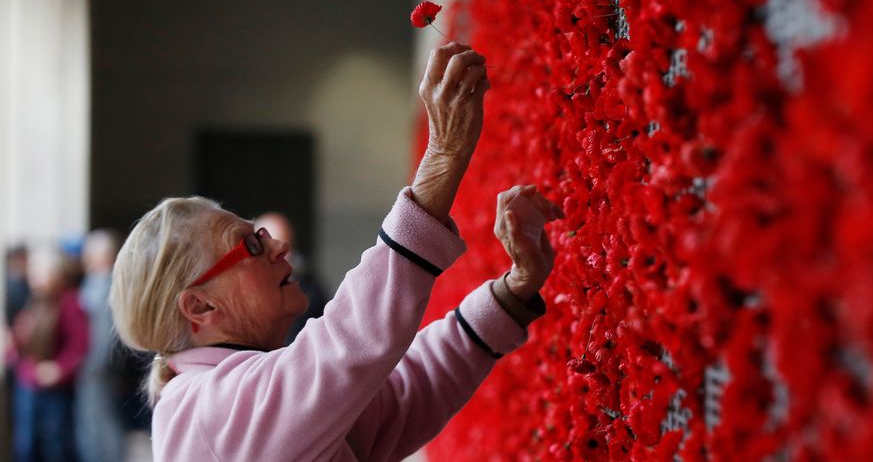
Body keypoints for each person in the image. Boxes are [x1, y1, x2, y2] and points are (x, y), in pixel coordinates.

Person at [109, 42, 564, 460]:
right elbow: (348, 344)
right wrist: (443, 155)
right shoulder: (204, 411)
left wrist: (513, 291)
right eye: (250, 244)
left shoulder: (230, 394)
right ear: (200, 306)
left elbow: (403, 394)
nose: (279, 245)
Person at [8, 245, 89, 462]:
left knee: (58, 445)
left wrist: (59, 369)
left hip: (55, 388)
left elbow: (80, 345)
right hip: (28, 382)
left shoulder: (70, 303)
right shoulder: (34, 301)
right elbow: (21, 340)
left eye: (40, 274)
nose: (35, 279)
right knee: (27, 444)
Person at [76, 229, 127, 462]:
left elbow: (104, 335)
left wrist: (95, 365)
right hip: (90, 367)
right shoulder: (92, 283)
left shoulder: (108, 285)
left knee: (103, 424)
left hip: (98, 368)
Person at [253, 211, 329, 344]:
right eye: (270, 248)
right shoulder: (246, 287)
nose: (283, 255)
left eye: (286, 245)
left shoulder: (309, 284)